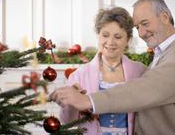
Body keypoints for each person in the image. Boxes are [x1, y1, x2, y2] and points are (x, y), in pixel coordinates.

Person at [50, 0, 175, 135]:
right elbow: (67, 120)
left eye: (145, 23)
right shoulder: (163, 52)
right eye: (138, 27)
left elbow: (147, 89)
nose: (141, 33)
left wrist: (88, 100)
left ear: (165, 17)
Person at [58, 7, 146, 135]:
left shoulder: (140, 71)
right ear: (98, 35)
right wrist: (71, 101)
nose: (110, 42)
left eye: (118, 37)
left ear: (127, 40)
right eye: (105, 35)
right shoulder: (79, 75)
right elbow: (67, 121)